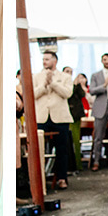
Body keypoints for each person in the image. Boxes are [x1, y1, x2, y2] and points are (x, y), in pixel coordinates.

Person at [32, 51, 74, 189]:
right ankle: (40, 179)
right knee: (38, 149)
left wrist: (53, 83)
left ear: (55, 60)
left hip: (60, 117)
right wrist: (44, 85)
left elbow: (67, 93)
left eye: (47, 59)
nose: (44, 61)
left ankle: (62, 178)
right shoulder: (36, 76)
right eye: (43, 59)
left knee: (62, 149)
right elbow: (33, 95)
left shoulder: (65, 77)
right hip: (42, 117)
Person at [67, 72, 89, 171]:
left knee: (76, 140)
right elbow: (68, 95)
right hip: (66, 115)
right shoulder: (65, 85)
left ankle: (78, 164)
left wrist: (78, 85)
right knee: (69, 141)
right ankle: (71, 164)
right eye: (67, 71)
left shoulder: (77, 87)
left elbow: (82, 95)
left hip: (76, 115)